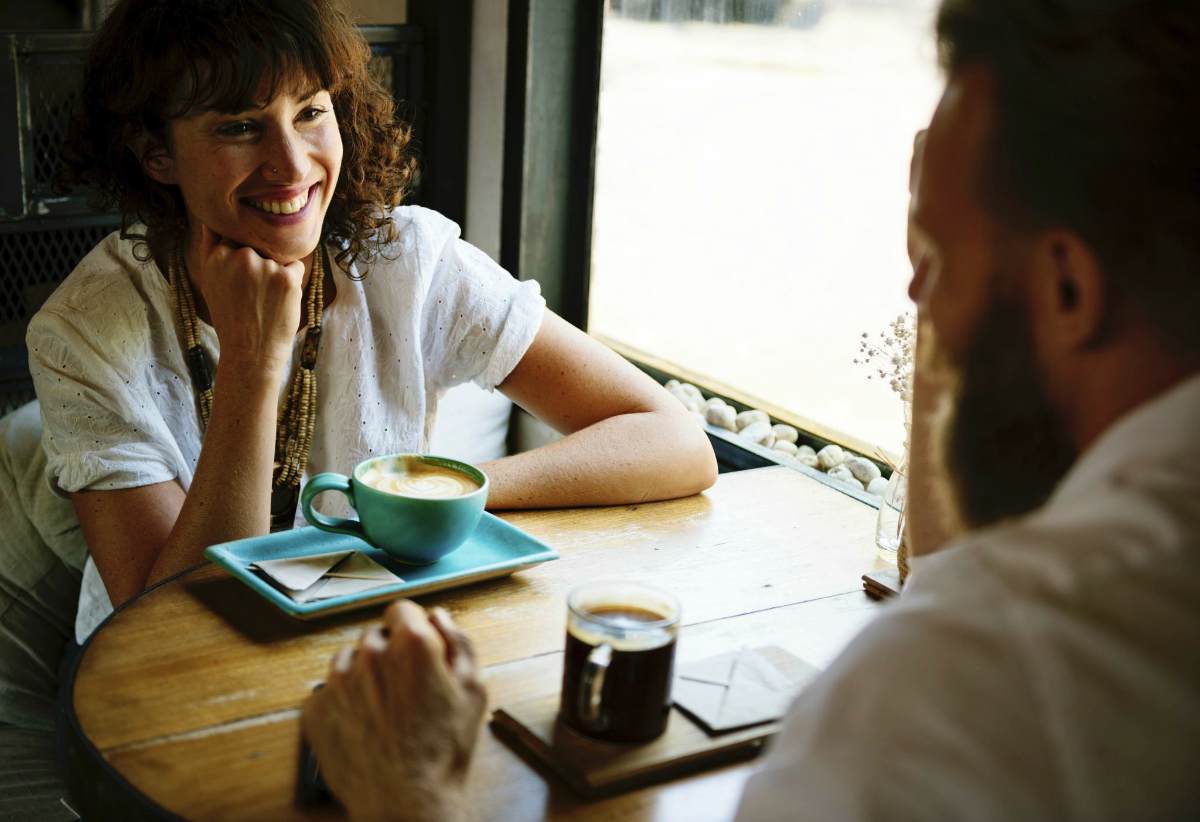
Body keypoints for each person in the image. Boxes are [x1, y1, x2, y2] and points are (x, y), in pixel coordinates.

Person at [302, 0, 1200, 818]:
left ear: (1069, 289)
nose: (915, 299)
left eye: (936, 258)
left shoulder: (947, 689)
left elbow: (957, 581)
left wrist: (410, 794)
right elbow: (959, 562)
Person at [26, 0, 717, 645]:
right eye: (238, 125)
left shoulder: (408, 260)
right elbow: (170, 627)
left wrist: (433, 500)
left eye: (309, 112)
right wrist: (252, 362)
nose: (292, 165)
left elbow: (676, 443)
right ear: (157, 154)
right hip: (151, 684)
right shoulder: (81, 331)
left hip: (368, 641)